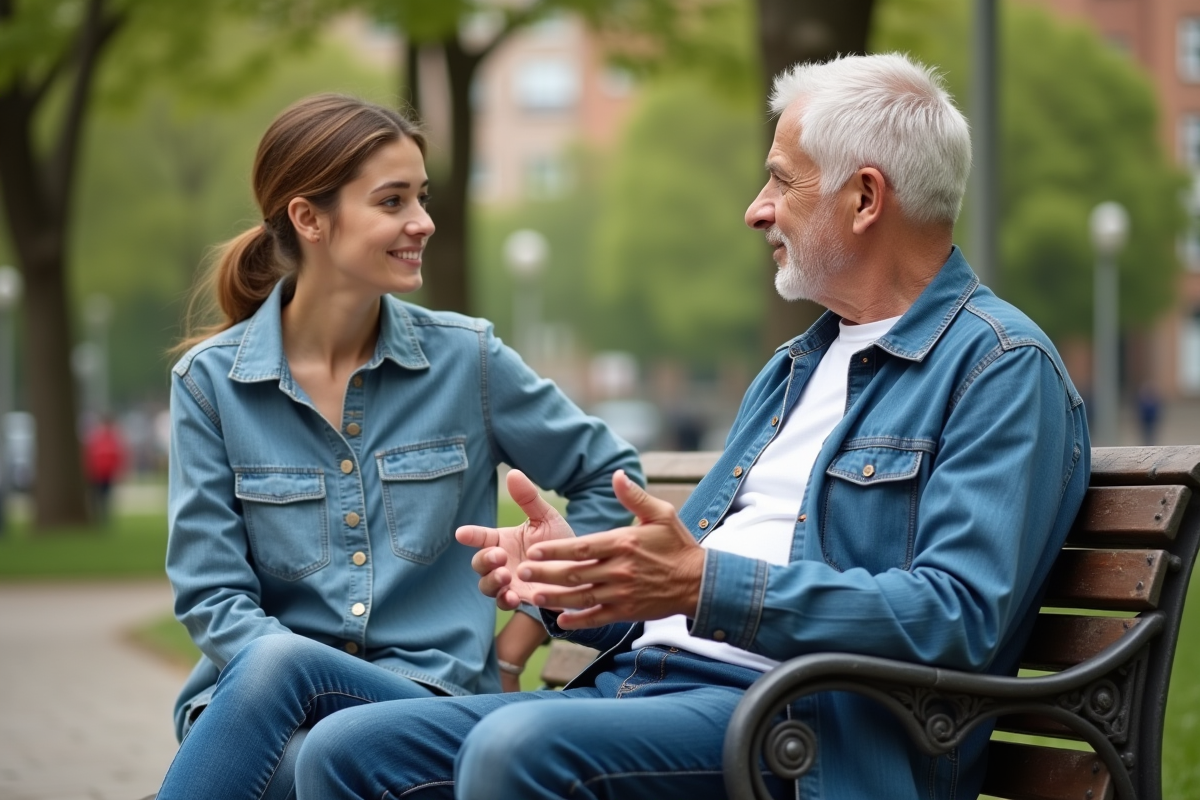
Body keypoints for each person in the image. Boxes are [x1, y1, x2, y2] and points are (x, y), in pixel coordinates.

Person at [253, 53, 1087, 800]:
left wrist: (704, 585)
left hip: (802, 731)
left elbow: (956, 616)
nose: (757, 210)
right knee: (344, 750)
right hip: (647, 689)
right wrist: (577, 579)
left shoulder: (998, 366)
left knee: (515, 746)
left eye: (781, 182)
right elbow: (677, 584)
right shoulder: (795, 367)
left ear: (865, 197)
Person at [154, 94, 641, 800]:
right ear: (309, 218)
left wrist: (526, 627)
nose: (423, 222)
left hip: (430, 701)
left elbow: (610, 475)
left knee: (285, 691)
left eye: (422, 197)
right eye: (392, 201)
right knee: (289, 721)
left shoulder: (467, 360)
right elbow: (212, 595)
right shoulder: (210, 385)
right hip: (261, 709)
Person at [84, 415, 127, 523]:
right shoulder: (96, 437)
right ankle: (97, 517)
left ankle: (104, 517)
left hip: (107, 474)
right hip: (96, 473)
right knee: (96, 497)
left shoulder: (114, 439)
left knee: (105, 497)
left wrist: (120, 471)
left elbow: (119, 457)